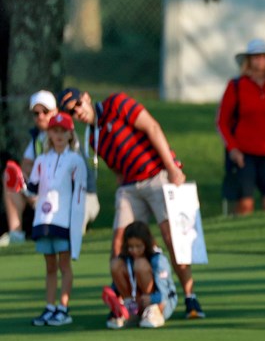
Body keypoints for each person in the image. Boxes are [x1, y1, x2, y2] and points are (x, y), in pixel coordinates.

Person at [58, 87, 206, 318]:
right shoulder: (93, 137)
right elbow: (116, 167)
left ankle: (190, 296)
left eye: (78, 105)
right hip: (129, 187)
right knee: (119, 243)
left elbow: (152, 128)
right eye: (72, 112)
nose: (78, 113)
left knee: (172, 238)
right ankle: (123, 301)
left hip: (156, 176)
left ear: (86, 97)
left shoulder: (116, 103)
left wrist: (172, 168)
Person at [24, 113, 87, 326]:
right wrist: (18, 184)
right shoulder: (41, 160)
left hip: (64, 221)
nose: (59, 135)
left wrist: (77, 223)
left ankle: (63, 307)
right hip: (43, 219)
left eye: (63, 131)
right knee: (50, 267)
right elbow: (32, 187)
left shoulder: (76, 160)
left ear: (70, 134)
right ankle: (50, 307)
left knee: (64, 265)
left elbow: (79, 193)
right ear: (48, 134)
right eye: (55, 131)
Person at [216, 38, 265, 215]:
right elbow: (222, 122)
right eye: (256, 57)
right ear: (248, 60)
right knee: (245, 204)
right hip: (244, 154)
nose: (260, 61)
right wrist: (233, 149)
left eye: (263, 57)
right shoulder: (236, 85)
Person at [2, 91, 56, 247]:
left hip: (73, 197)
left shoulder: (64, 134)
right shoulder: (38, 137)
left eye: (45, 112)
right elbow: (25, 165)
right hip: (43, 191)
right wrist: (32, 186)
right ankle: (16, 234)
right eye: (36, 113)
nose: (40, 116)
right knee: (10, 175)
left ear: (55, 112)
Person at [103, 221, 178, 329]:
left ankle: (153, 312)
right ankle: (130, 310)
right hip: (137, 299)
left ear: (146, 244)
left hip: (161, 302)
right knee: (115, 264)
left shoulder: (158, 260)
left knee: (140, 264)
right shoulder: (126, 258)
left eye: (139, 246)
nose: (134, 250)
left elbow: (165, 294)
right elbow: (117, 286)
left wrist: (152, 299)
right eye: (131, 247)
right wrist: (112, 297)